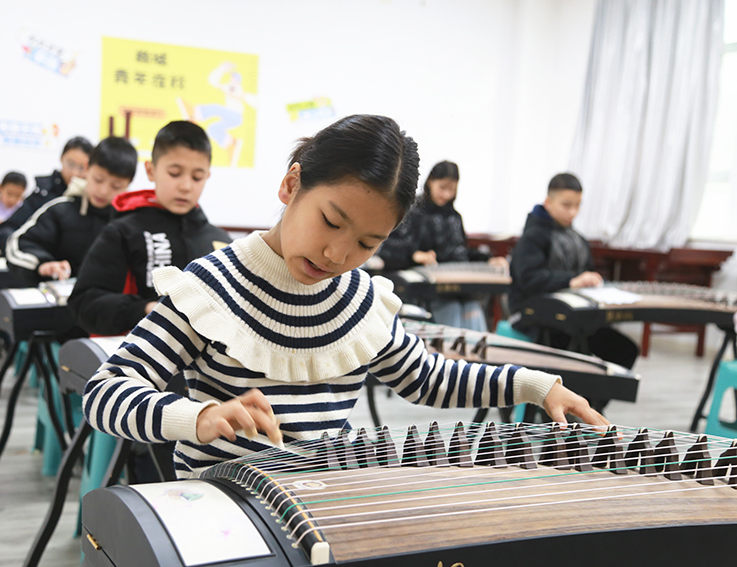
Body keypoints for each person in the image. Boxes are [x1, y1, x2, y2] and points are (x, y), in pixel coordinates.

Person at [81, 115, 606, 480]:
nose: (337, 254)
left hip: (325, 500)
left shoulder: (360, 300)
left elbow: (428, 378)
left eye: (367, 243)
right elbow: (104, 392)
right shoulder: (211, 286)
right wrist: (195, 417)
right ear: (291, 186)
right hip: (226, 508)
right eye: (331, 221)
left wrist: (535, 385)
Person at [68, 121, 230, 337]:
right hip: (137, 351)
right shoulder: (123, 231)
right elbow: (84, 304)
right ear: (151, 170)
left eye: (197, 177)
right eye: (174, 173)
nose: (186, 186)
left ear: (207, 176)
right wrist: (145, 309)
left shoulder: (220, 241)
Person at [508, 172, 639, 372]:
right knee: (571, 350)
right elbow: (529, 279)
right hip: (537, 316)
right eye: (566, 205)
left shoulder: (577, 238)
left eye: (577, 205)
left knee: (625, 350)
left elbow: (587, 273)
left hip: (575, 316)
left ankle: (593, 393)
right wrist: (571, 281)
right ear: (548, 202)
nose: (573, 212)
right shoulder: (532, 237)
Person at [377, 160, 509, 331]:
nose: (446, 194)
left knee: (473, 308)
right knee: (451, 308)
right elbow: (387, 248)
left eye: (452, 189)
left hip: (452, 287)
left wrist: (488, 260)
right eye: (442, 187)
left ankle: (476, 348)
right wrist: (415, 255)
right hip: (425, 289)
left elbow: (459, 252)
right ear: (430, 182)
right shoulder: (413, 211)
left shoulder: (454, 217)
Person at [5, 137, 137, 287]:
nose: (103, 191)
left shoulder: (131, 221)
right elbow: (18, 245)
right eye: (98, 180)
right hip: (61, 296)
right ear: (86, 169)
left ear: (128, 184)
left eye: (116, 186)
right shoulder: (60, 210)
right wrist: (42, 264)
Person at [0, 136, 93, 251]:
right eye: (70, 164)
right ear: (61, 158)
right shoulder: (44, 192)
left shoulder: (93, 197)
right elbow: (7, 230)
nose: (75, 173)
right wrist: (29, 254)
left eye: (82, 168)